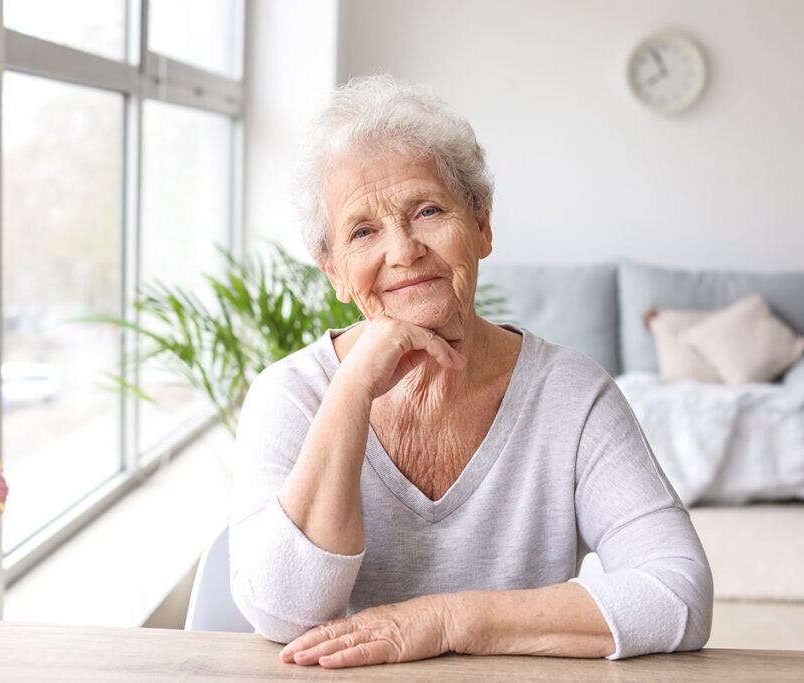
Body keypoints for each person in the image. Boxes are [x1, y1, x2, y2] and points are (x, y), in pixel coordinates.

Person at [228, 75, 712, 669]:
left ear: (481, 227)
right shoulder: (291, 394)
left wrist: (445, 620)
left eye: (428, 210)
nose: (403, 251)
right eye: (363, 231)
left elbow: (677, 592)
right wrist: (351, 389)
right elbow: (283, 611)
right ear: (333, 271)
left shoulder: (570, 394)